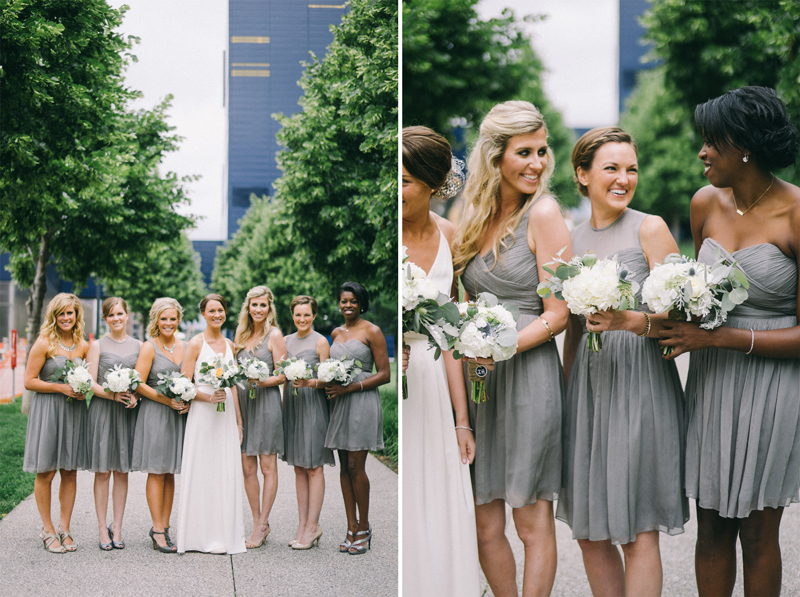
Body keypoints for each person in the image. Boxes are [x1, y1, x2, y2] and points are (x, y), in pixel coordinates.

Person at [660, 86, 800, 597]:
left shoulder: (795, 212)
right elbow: (700, 300)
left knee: (759, 533)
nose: (701, 152)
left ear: (743, 144)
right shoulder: (704, 204)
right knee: (712, 526)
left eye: (710, 142)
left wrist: (718, 338)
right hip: (713, 384)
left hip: (773, 384)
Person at [557, 127, 688, 596]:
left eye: (631, 168)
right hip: (588, 391)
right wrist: (567, 394)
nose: (623, 178)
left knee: (636, 528)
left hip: (641, 383)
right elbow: (572, 329)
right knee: (590, 532)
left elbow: (682, 323)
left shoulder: (649, 227)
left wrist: (629, 321)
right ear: (582, 174)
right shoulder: (568, 240)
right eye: (611, 168)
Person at [452, 100, 571, 596]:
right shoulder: (469, 215)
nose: (538, 164)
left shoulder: (543, 213)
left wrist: (501, 348)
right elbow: (453, 304)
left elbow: (560, 313)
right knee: (485, 525)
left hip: (529, 377)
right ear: (494, 155)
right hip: (480, 385)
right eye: (525, 152)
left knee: (529, 522)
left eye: (542, 151)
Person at [401, 125, 480, 594]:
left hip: (434, 382)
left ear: (432, 184)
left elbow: (450, 333)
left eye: (405, 180)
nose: (397, 190)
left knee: (438, 491)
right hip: (406, 374)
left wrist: (462, 419)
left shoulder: (450, 234)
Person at [324, 282, 391, 555]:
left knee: (356, 465)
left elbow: (385, 374)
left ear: (361, 303)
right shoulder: (336, 332)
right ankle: (350, 527)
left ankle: (364, 527)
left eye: (352, 301)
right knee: (343, 467)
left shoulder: (372, 331)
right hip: (339, 402)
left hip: (361, 399)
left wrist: (350, 387)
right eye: (343, 301)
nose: (347, 305)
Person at [178, 293, 246, 554]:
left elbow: (236, 389)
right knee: (203, 469)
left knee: (224, 470)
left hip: (226, 414)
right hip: (203, 415)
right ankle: (197, 536)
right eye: (212, 311)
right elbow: (183, 386)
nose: (217, 315)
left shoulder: (230, 344)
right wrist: (207, 397)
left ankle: (224, 534)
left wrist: (239, 422)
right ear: (203, 314)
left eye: (221, 310)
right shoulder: (195, 343)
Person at [23, 293, 90, 553]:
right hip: (48, 411)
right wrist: (60, 388)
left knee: (70, 471)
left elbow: (86, 379)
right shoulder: (44, 343)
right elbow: (29, 381)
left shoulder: (81, 345)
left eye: (70, 313)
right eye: (61, 313)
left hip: (73, 413)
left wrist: (83, 390)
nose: (65, 318)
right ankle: (47, 530)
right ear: (54, 315)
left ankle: (65, 529)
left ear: (76, 316)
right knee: (47, 471)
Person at [132, 297, 189, 553]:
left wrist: (187, 399)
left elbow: (190, 381)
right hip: (156, 413)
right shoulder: (149, 347)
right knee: (156, 470)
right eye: (164, 318)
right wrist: (166, 401)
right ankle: (156, 529)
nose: (168, 323)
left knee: (170, 471)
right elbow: (139, 384)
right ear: (156, 320)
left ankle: (166, 527)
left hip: (178, 415)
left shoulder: (186, 346)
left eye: (173, 318)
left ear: (178, 320)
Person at [232, 286, 286, 549]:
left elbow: (283, 374)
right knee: (247, 467)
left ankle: (263, 522)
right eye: (254, 305)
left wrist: (262, 381)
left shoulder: (274, 335)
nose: (258, 310)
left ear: (269, 308)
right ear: (248, 307)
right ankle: (257, 521)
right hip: (244, 403)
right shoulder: (241, 335)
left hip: (265, 402)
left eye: (263, 305)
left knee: (267, 467)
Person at [86, 297, 141, 551]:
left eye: (119, 313)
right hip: (103, 411)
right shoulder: (96, 345)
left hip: (126, 414)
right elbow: (91, 383)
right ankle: (101, 528)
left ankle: (117, 527)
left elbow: (143, 381)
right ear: (105, 319)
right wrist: (113, 394)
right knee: (102, 472)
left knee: (121, 471)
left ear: (127, 315)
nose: (116, 318)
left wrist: (135, 397)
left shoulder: (140, 346)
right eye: (111, 315)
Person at [282, 295, 335, 550]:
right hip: (292, 406)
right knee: (298, 468)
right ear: (292, 315)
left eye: (306, 314)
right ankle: (302, 526)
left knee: (314, 467)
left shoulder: (321, 341)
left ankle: (313, 526)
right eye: (297, 314)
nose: (302, 319)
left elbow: (329, 378)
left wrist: (310, 382)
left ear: (314, 316)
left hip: (313, 405)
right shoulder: (285, 341)